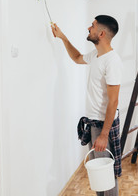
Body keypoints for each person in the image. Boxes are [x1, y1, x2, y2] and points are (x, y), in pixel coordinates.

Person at [51, 15, 122, 196]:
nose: (88, 28)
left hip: (102, 125)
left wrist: (104, 135)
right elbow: (76, 57)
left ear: (101, 33)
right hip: (93, 122)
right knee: (97, 174)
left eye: (92, 26)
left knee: (106, 175)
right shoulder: (97, 55)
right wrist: (63, 37)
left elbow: (113, 101)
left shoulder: (112, 61)